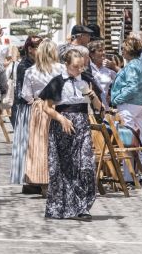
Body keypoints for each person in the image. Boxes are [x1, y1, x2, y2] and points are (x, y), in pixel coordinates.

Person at [40, 49, 101, 220]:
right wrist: (61, 119)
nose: (79, 70)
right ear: (67, 65)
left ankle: (82, 206)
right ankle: (61, 207)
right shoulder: (58, 82)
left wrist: (93, 96)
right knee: (63, 168)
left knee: (85, 165)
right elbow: (46, 107)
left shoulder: (86, 80)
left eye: (82, 66)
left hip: (82, 125)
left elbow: (98, 107)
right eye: (76, 66)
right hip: (63, 125)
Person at [21, 40, 65, 191]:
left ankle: (44, 182)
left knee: (41, 146)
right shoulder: (62, 69)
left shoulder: (31, 71)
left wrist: (35, 100)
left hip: (40, 107)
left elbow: (26, 95)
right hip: (59, 107)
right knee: (60, 144)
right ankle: (60, 179)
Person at [110, 37, 142, 183]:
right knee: (137, 139)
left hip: (129, 105)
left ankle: (131, 176)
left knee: (128, 140)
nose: (122, 52)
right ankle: (138, 174)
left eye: (123, 49)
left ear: (128, 50)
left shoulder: (133, 65)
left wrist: (117, 98)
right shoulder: (141, 64)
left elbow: (132, 86)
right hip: (139, 104)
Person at [10, 36, 42, 186]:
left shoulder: (38, 64)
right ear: (30, 49)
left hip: (37, 106)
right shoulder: (24, 66)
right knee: (27, 142)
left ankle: (34, 177)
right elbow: (24, 93)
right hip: (27, 107)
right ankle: (27, 178)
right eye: (37, 47)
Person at [88, 41, 117, 110]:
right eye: (100, 50)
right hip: (90, 109)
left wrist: (112, 96)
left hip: (105, 108)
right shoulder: (87, 69)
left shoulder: (109, 71)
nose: (103, 53)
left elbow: (122, 83)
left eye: (104, 50)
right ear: (92, 55)